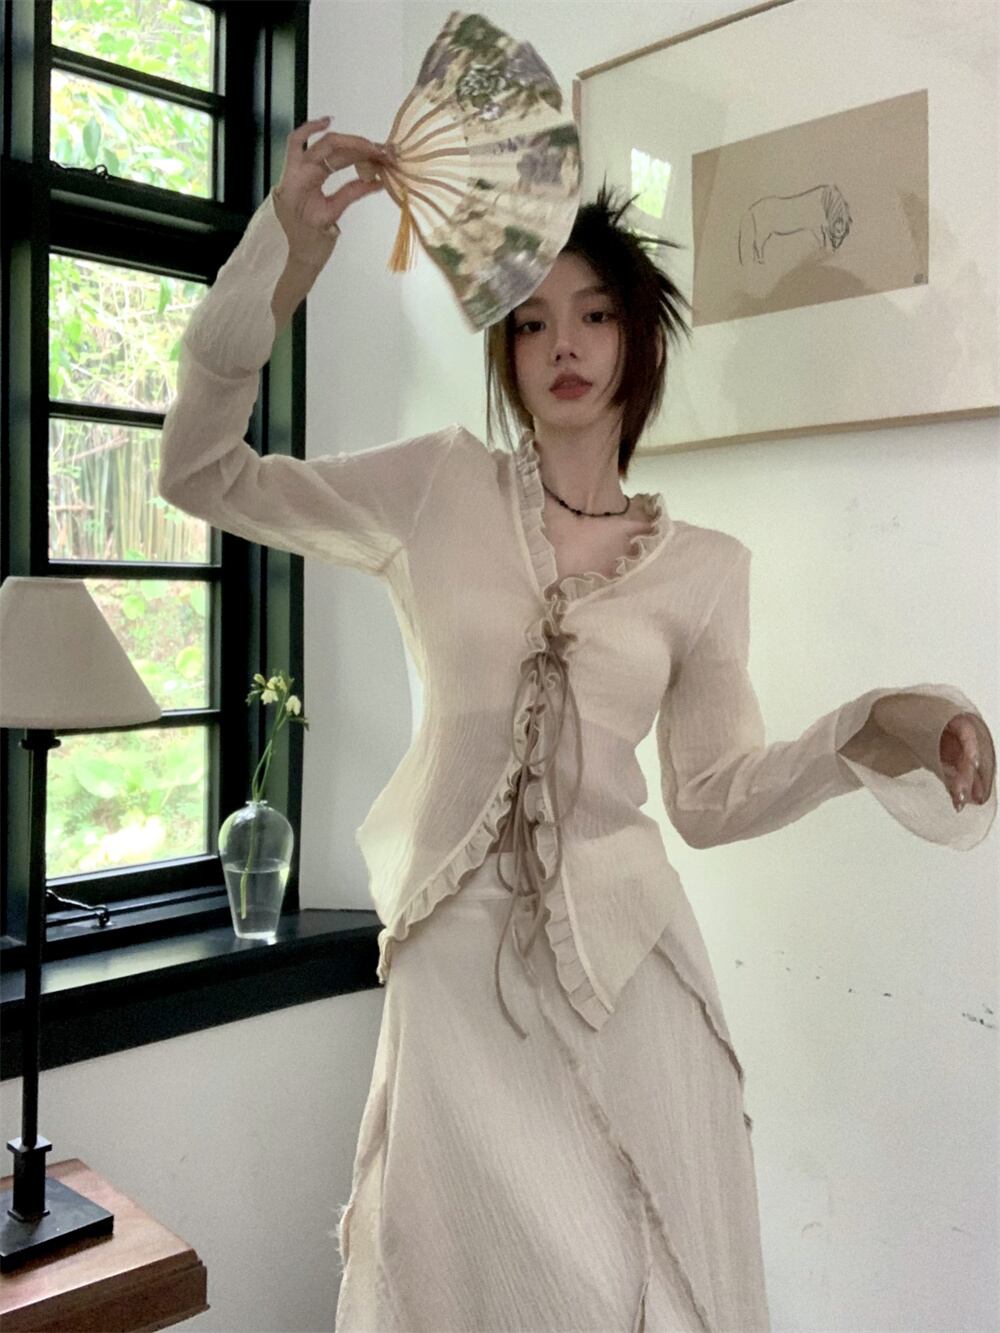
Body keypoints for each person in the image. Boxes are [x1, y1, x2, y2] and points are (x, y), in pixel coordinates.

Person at [159, 118, 996, 1333]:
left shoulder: (704, 568)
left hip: (627, 980)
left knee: (622, 1288)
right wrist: (282, 255)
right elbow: (201, 470)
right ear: (503, 351)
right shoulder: (435, 486)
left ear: (637, 340)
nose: (563, 344)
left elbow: (711, 795)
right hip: (453, 982)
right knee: (454, 1279)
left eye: (594, 314)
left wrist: (884, 727)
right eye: (531, 320)